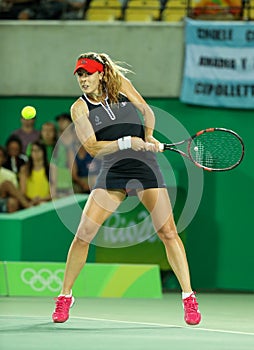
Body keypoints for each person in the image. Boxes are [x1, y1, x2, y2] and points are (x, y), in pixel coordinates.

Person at [52, 52, 201, 326]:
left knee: (168, 231)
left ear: (101, 74)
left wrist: (148, 137)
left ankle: (188, 297)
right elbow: (92, 147)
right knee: (83, 234)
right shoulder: (79, 108)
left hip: (144, 165)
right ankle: (65, 296)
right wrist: (126, 142)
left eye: (88, 73)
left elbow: (146, 110)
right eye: (80, 75)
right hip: (112, 168)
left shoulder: (120, 85)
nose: (83, 79)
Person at [0, 146, 32, 212]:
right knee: (6, 184)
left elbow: (16, 194)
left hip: (4, 201)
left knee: (13, 202)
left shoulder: (10, 174)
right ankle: (29, 207)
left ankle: (12, 222)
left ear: (4, 159)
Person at [19, 141, 51, 205]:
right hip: (30, 203)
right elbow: (22, 192)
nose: (36, 153)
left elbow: (53, 193)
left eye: (38, 150)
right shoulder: (24, 169)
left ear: (43, 152)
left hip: (46, 202)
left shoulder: (52, 169)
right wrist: (32, 201)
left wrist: (41, 199)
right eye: (33, 150)